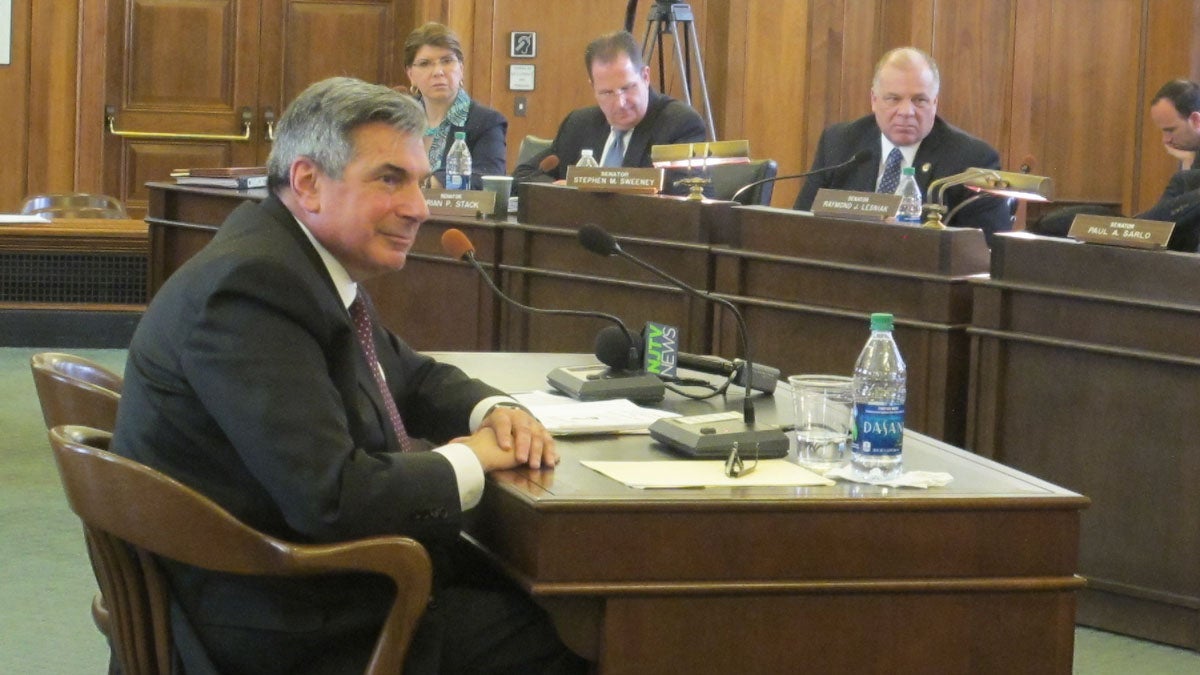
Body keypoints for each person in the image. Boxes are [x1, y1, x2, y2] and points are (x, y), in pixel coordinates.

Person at [111, 76, 587, 674]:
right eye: (391, 179)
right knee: (579, 639)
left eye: (421, 182)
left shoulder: (293, 261)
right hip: (282, 627)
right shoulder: (251, 290)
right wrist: (473, 459)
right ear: (308, 182)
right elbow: (332, 498)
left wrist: (493, 412)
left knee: (549, 601)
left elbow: (405, 378)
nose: (419, 207)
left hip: (299, 588)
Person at [793, 46, 1011, 243]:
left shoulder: (972, 160)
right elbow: (799, 226)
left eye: (919, 100)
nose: (906, 112)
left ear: (934, 102)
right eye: (893, 99)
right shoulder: (840, 143)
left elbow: (985, 250)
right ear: (874, 100)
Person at [512, 30, 706, 195]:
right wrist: (560, 190)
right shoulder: (579, 124)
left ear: (645, 76)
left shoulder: (680, 124)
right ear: (593, 87)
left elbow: (689, 195)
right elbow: (523, 175)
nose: (620, 103)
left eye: (627, 88)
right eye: (606, 93)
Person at [403, 21, 507, 190]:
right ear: (411, 74)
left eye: (447, 61)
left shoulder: (486, 121)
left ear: (461, 68)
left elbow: (490, 179)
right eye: (425, 63)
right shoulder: (397, 117)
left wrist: (432, 183)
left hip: (454, 216)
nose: (438, 71)